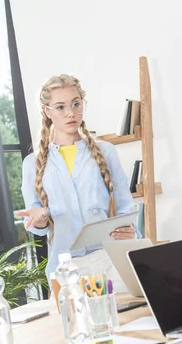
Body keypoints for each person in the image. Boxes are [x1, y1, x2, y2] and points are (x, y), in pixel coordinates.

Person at [17, 74, 138, 285]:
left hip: (110, 261)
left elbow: (124, 204)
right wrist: (40, 219)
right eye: (60, 107)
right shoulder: (32, 163)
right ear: (47, 111)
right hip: (65, 268)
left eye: (76, 104)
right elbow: (36, 221)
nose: (70, 113)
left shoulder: (106, 151)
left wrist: (128, 229)